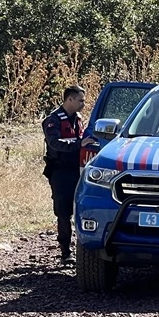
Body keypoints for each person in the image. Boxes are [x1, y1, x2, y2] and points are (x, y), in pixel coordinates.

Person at [42, 85, 95, 262]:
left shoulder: (78, 118)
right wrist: (78, 145)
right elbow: (54, 143)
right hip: (60, 171)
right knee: (63, 212)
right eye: (80, 100)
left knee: (82, 208)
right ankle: (65, 251)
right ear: (69, 99)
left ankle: (86, 250)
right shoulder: (53, 120)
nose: (83, 103)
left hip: (78, 170)